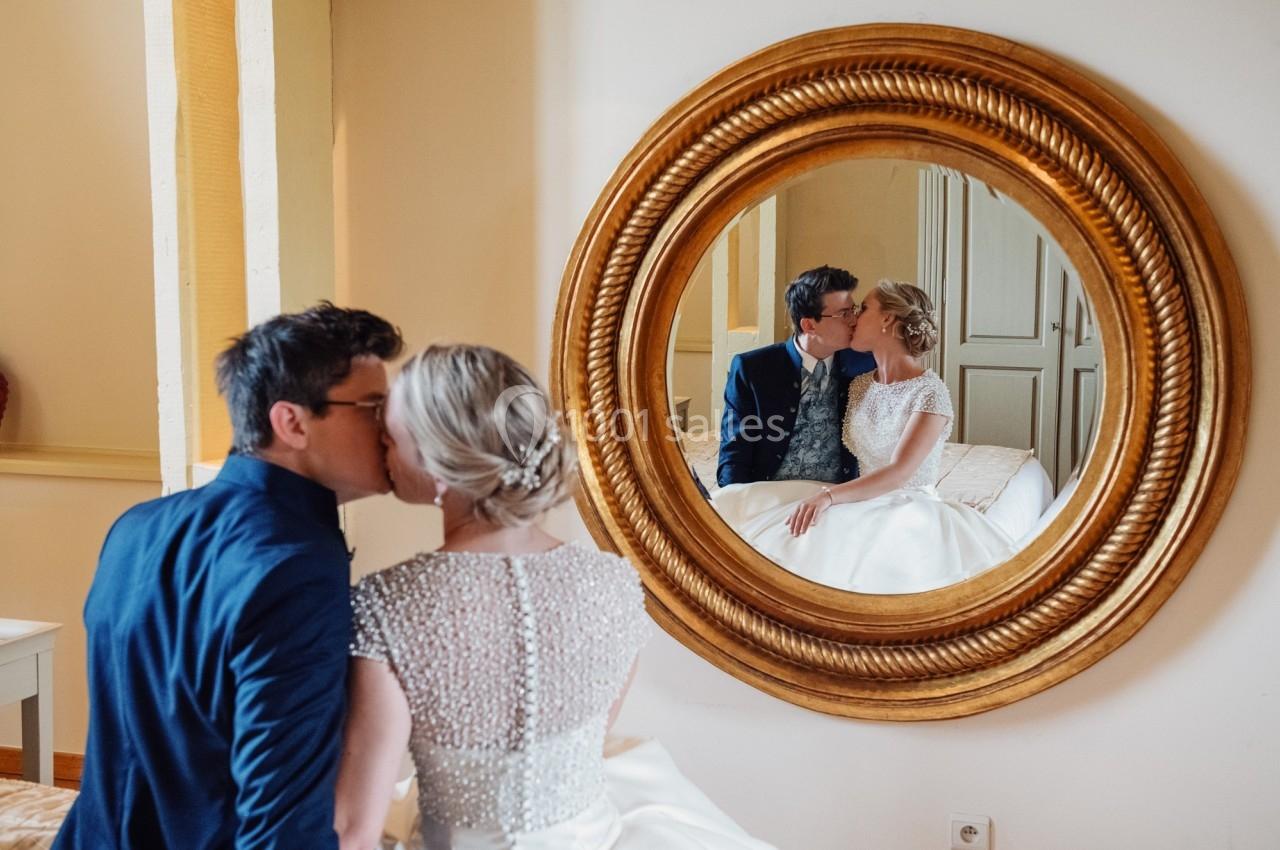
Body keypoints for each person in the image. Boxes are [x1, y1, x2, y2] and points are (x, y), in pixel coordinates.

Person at [334, 344, 776, 850]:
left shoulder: (388, 605)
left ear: (441, 462)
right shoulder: (614, 584)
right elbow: (578, 753)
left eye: (391, 437)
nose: (381, 448)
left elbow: (355, 831)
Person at [54, 303, 404, 850]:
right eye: (373, 407)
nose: (392, 428)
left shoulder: (134, 527)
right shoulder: (298, 566)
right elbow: (281, 822)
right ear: (291, 422)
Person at [711, 281, 1017, 593]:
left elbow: (899, 473)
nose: (854, 317)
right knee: (748, 514)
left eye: (864, 309)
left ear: (887, 320)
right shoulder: (858, 384)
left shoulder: (929, 392)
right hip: (855, 497)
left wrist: (828, 497)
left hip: (906, 504)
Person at [717, 265, 875, 487]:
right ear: (809, 325)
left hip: (839, 499)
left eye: (854, 310)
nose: (853, 320)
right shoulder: (752, 369)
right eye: (844, 314)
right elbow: (735, 453)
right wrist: (735, 505)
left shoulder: (865, 364)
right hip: (772, 496)